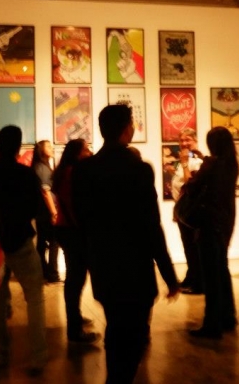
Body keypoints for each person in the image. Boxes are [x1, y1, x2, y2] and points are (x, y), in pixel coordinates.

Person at [72, 104, 179, 384]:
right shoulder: (138, 169)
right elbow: (151, 226)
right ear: (126, 129)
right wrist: (169, 275)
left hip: (103, 265)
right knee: (135, 336)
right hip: (135, 268)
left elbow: (82, 219)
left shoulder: (84, 170)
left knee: (116, 328)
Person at [0, 125, 50, 375]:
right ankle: (38, 357)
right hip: (22, 241)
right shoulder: (26, 175)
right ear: (18, 146)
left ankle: (0, 354)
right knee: (34, 299)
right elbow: (34, 209)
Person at [180, 127, 239, 339]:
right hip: (225, 220)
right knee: (222, 269)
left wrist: (186, 164)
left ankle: (212, 324)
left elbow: (192, 186)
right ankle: (228, 316)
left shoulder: (212, 164)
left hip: (208, 223)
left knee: (211, 275)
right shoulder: (231, 164)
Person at [52, 138, 100, 344]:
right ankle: (74, 329)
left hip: (65, 229)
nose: (89, 153)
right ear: (77, 154)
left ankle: (76, 319)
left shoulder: (63, 172)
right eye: (86, 150)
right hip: (74, 231)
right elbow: (79, 205)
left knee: (74, 278)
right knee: (76, 279)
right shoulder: (74, 174)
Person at [171, 128, 205, 295]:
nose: (184, 143)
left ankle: (198, 283)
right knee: (188, 247)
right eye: (181, 140)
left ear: (195, 141)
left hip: (192, 212)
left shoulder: (196, 161)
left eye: (188, 140)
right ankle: (191, 278)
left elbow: (190, 184)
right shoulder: (184, 160)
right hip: (184, 211)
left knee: (193, 248)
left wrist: (184, 163)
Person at [31, 139, 61, 282]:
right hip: (46, 211)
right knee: (54, 242)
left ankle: (44, 272)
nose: (52, 148)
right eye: (48, 146)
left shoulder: (40, 166)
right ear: (41, 150)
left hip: (42, 212)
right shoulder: (42, 168)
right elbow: (46, 192)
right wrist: (54, 212)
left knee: (42, 243)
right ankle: (52, 273)